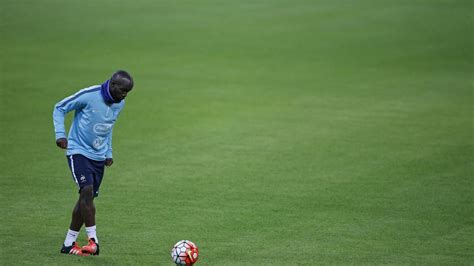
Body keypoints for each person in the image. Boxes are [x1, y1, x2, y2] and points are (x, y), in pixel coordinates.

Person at [53, 70, 134, 256]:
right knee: (87, 191)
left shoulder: (119, 104)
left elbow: (108, 128)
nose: (124, 95)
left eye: (127, 92)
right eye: (122, 91)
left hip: (98, 157)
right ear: (113, 85)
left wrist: (108, 151)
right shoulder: (89, 95)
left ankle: (68, 243)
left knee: (85, 199)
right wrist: (60, 135)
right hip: (78, 151)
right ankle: (93, 240)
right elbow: (59, 107)